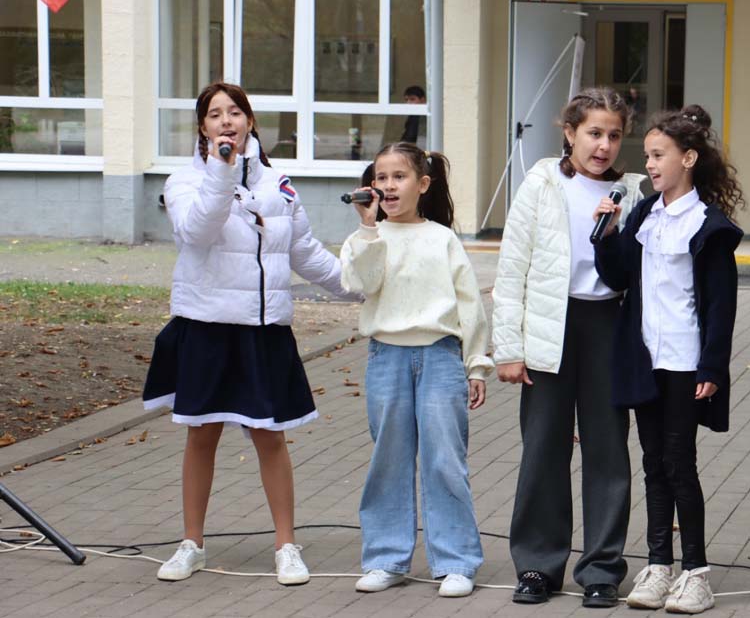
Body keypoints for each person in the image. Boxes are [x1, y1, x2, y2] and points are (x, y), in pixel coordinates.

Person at [143, 81, 350, 585]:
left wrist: (362, 285)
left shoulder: (279, 186)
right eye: (215, 115)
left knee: (269, 436)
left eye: (235, 112)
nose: (226, 121)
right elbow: (197, 231)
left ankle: (286, 546)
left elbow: (306, 254)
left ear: (251, 122)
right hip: (207, 325)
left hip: (262, 329)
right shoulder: (185, 181)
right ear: (202, 127)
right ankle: (191, 542)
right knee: (201, 436)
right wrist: (222, 169)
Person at [491, 87, 646, 608]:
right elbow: (513, 268)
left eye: (614, 135)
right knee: (543, 448)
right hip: (548, 327)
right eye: (593, 133)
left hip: (608, 326)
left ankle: (601, 568)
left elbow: (639, 272)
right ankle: (537, 564)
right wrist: (508, 348)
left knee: (607, 450)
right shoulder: (540, 184)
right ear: (570, 132)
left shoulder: (633, 192)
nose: (603, 146)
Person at [593, 105, 744, 614]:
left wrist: (712, 368)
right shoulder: (645, 215)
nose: (650, 165)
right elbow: (617, 278)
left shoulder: (708, 226)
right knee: (652, 462)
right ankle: (659, 565)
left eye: (659, 156)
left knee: (680, 463)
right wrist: (608, 232)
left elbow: (721, 307)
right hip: (646, 358)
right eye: (649, 156)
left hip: (685, 361)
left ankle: (695, 571)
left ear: (689, 158)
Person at [341, 142, 493, 598]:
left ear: (422, 185)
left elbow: (470, 305)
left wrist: (477, 365)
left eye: (399, 177)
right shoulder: (365, 239)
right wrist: (368, 230)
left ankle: (457, 561)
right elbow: (360, 285)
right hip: (386, 357)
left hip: (441, 357)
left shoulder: (441, 238)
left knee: (446, 460)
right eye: (381, 177)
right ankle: (387, 558)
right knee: (388, 459)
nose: (388, 186)